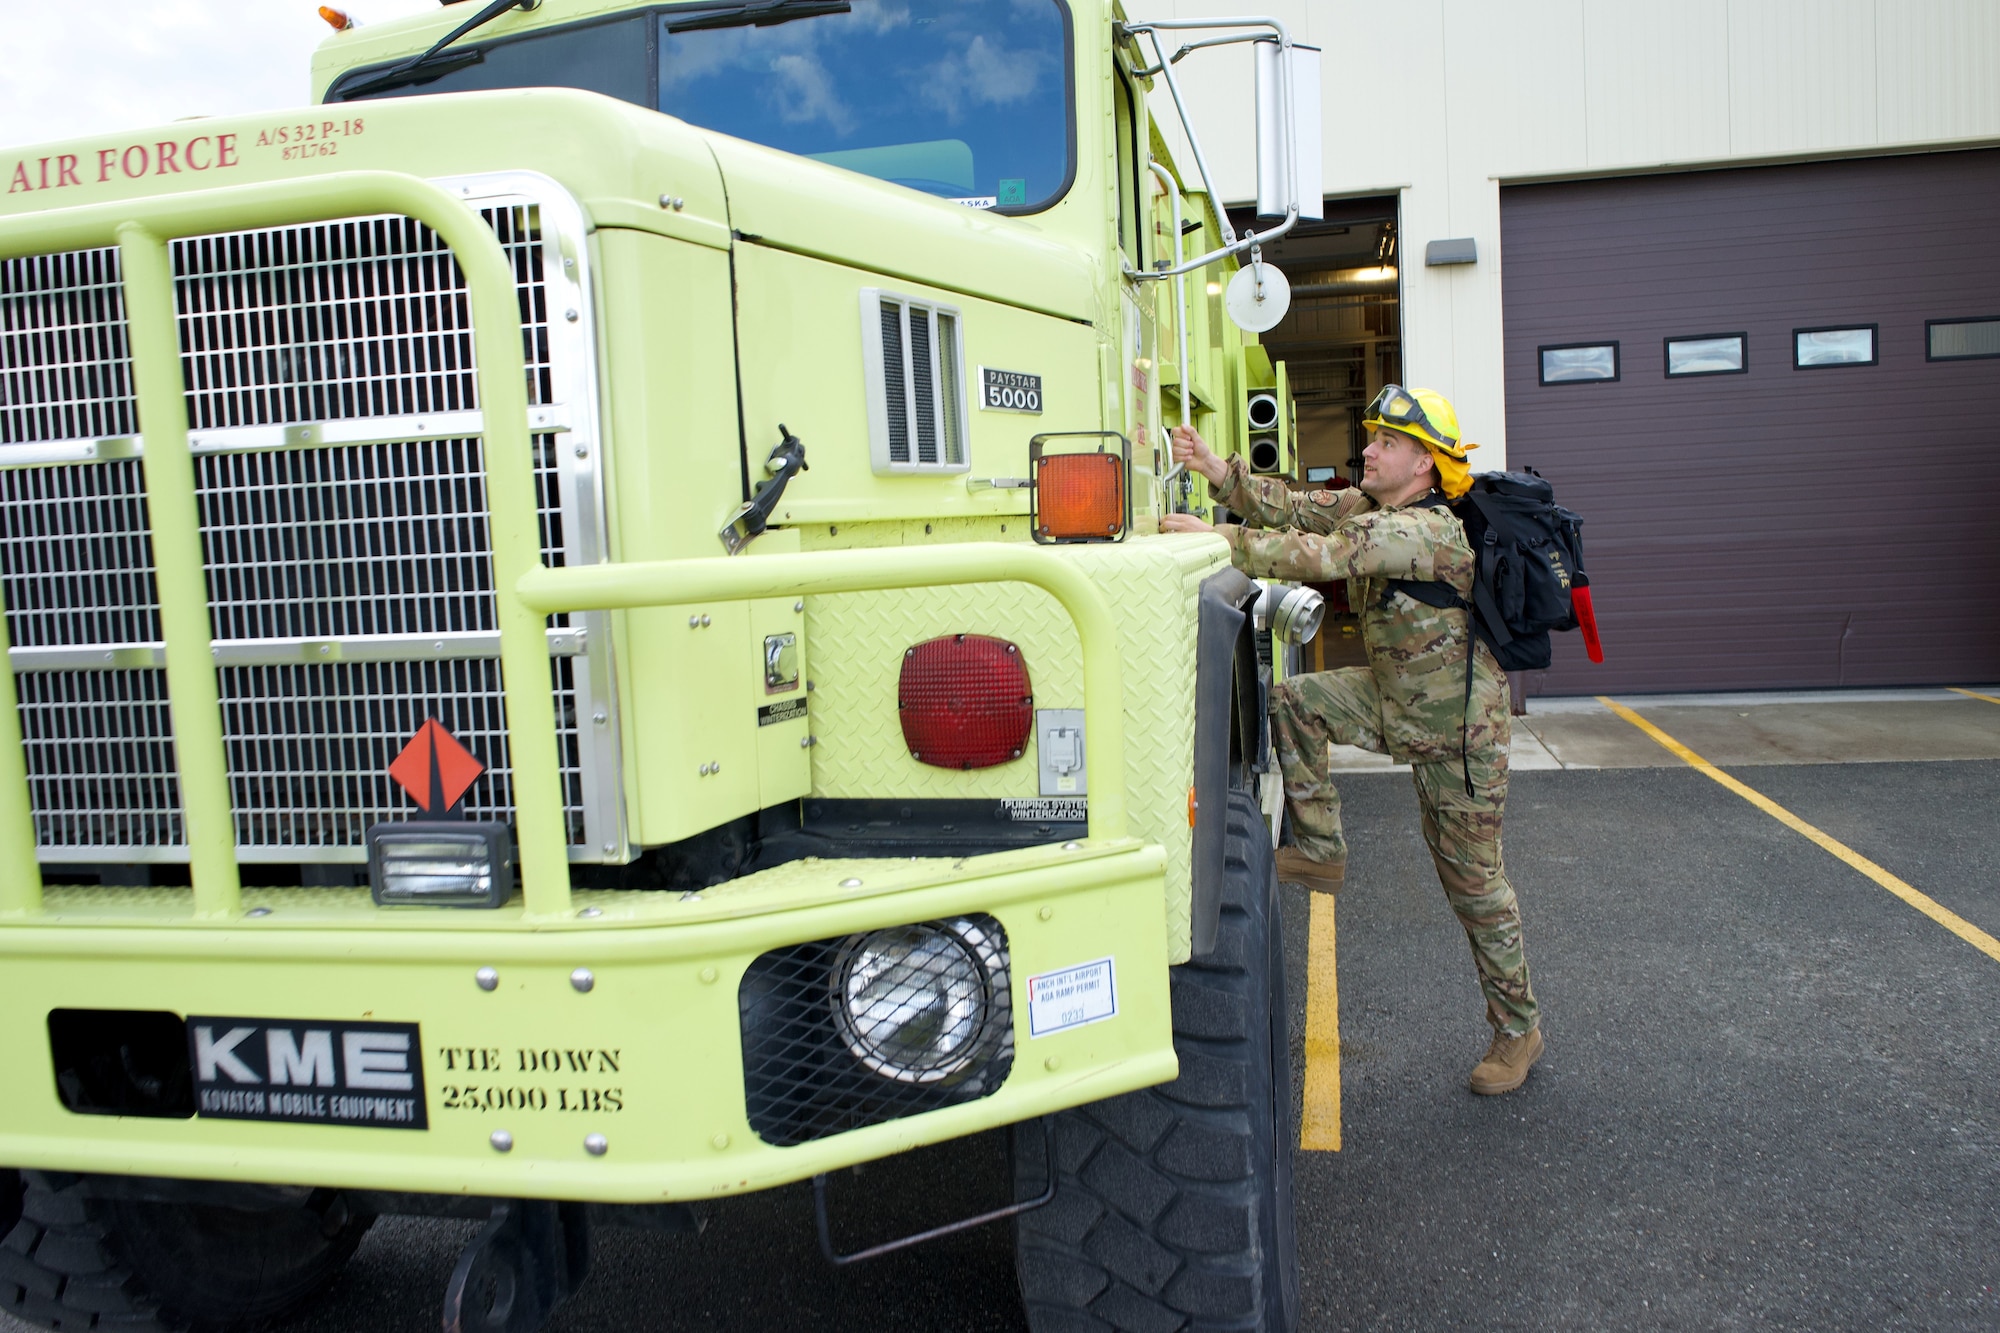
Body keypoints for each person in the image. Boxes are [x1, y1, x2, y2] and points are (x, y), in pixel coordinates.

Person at [1159, 386, 1543, 1095]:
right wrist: (1221, 473)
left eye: (1386, 442)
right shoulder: (1375, 507)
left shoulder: (1424, 531)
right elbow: (1302, 509)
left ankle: (1518, 1030)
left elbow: (1324, 555)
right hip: (1397, 700)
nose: (1367, 448)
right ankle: (1320, 851)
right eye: (1370, 436)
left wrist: (1218, 541)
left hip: (1459, 733)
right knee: (1292, 704)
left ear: (1426, 464)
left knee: (1474, 886)